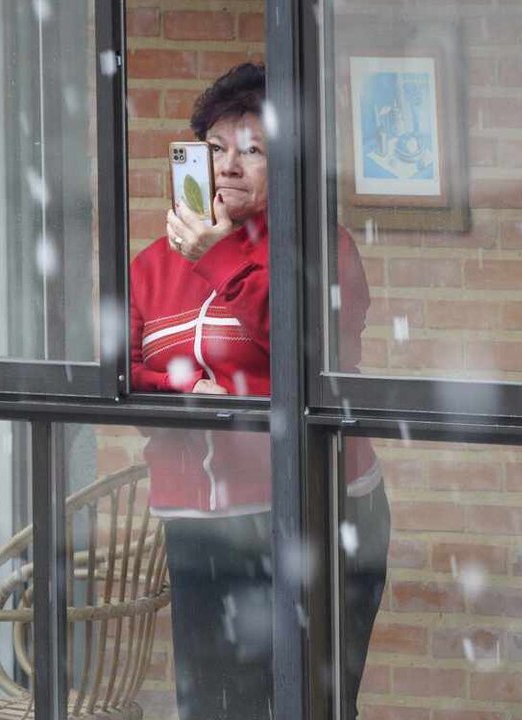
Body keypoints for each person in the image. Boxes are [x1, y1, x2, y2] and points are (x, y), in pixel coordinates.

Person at [128, 62, 390, 720]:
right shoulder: (153, 264)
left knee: (308, 704)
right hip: (198, 526)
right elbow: (123, 369)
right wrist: (186, 388)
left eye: (254, 151)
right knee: (215, 708)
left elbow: (304, 349)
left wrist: (216, 256)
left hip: (313, 512)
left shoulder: (324, 250)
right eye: (217, 148)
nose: (230, 167)